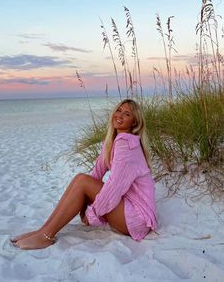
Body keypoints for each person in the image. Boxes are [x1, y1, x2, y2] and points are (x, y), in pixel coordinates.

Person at [11, 99, 157, 250]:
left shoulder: (127, 145)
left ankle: (46, 236)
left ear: (134, 122)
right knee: (80, 178)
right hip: (126, 208)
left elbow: (114, 188)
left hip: (137, 219)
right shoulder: (114, 141)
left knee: (83, 182)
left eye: (127, 114)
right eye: (118, 110)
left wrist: (92, 214)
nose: (119, 115)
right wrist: (85, 202)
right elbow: (98, 172)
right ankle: (43, 231)